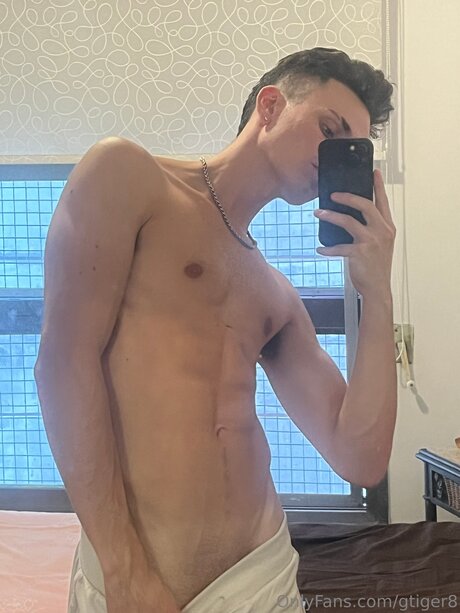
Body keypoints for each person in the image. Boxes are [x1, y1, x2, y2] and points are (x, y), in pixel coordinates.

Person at [34, 47, 396, 613]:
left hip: (263, 577)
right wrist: (123, 568)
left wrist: (378, 293)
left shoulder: (274, 293)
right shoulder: (129, 177)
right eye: (329, 131)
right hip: (132, 578)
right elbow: (62, 364)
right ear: (270, 107)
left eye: (352, 146)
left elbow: (361, 458)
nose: (334, 156)